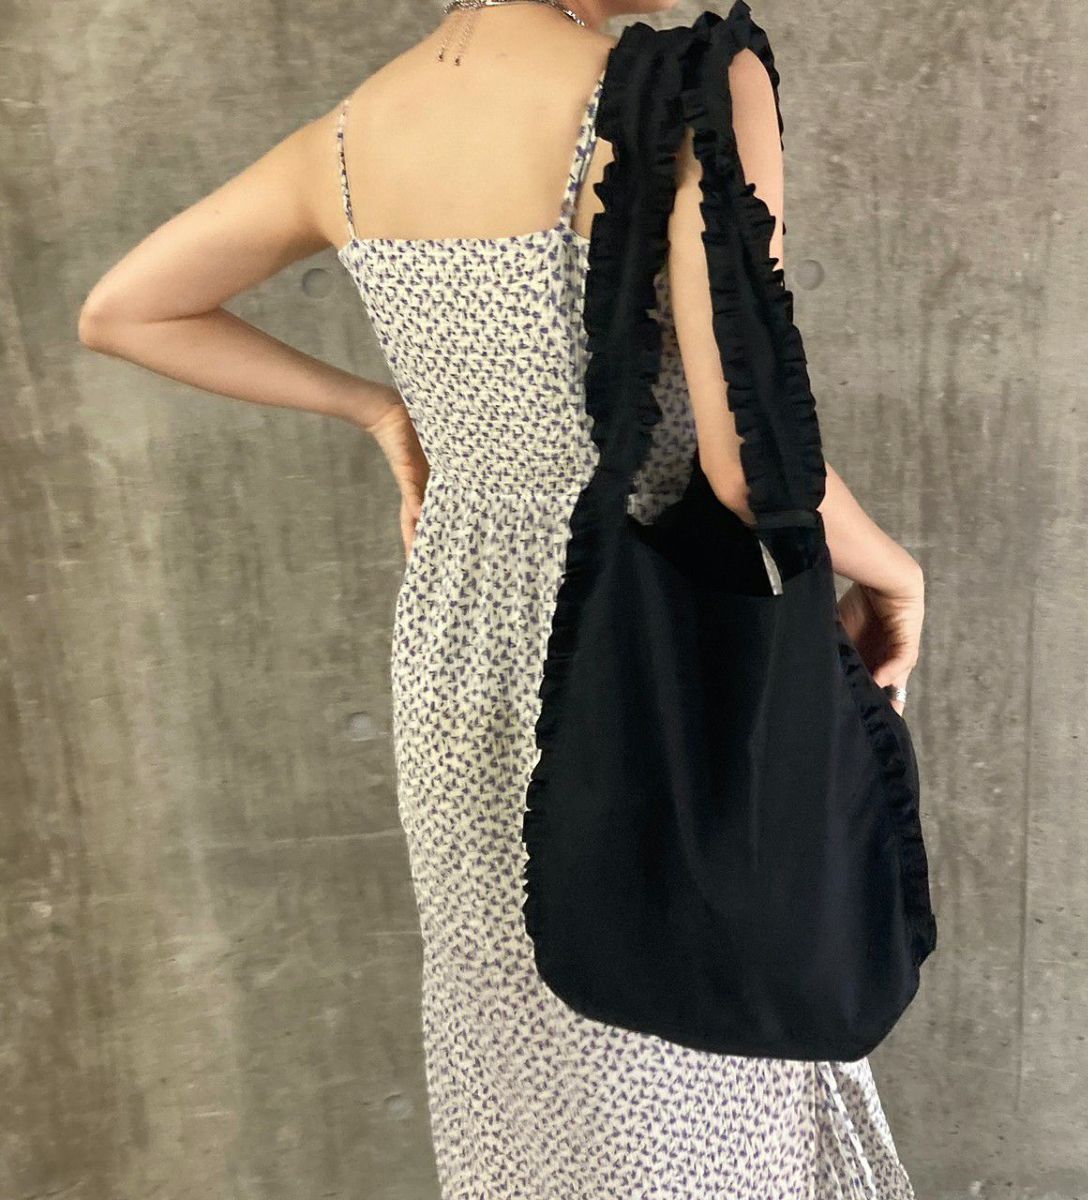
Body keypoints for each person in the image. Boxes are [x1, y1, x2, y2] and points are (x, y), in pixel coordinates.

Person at [78, 0, 926, 1194]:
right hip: (651, 637)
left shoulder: (349, 136)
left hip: (455, 647)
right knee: (705, 1032)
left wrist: (381, 408)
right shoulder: (691, 91)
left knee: (525, 1053)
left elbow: (123, 310)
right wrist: (894, 570)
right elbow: (748, 461)